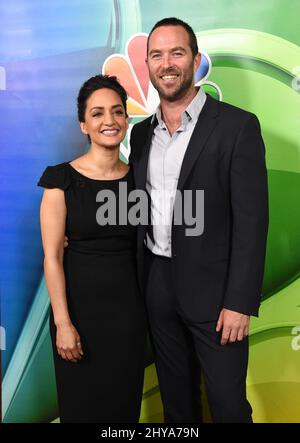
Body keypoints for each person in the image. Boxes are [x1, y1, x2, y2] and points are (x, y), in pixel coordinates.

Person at [129, 18, 269, 423]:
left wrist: (239, 302)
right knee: (177, 403)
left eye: (176, 52)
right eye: (157, 55)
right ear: (148, 64)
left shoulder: (237, 127)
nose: (166, 63)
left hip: (217, 293)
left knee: (226, 405)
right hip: (158, 283)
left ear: (195, 58)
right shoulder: (141, 135)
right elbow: (138, 210)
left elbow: (252, 222)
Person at [38, 75, 147, 423]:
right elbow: (52, 257)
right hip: (77, 320)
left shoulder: (140, 181)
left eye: (117, 112)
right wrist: (63, 323)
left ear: (126, 120)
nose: (109, 121)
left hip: (129, 323)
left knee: (122, 414)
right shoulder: (60, 180)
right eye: (97, 114)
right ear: (84, 124)